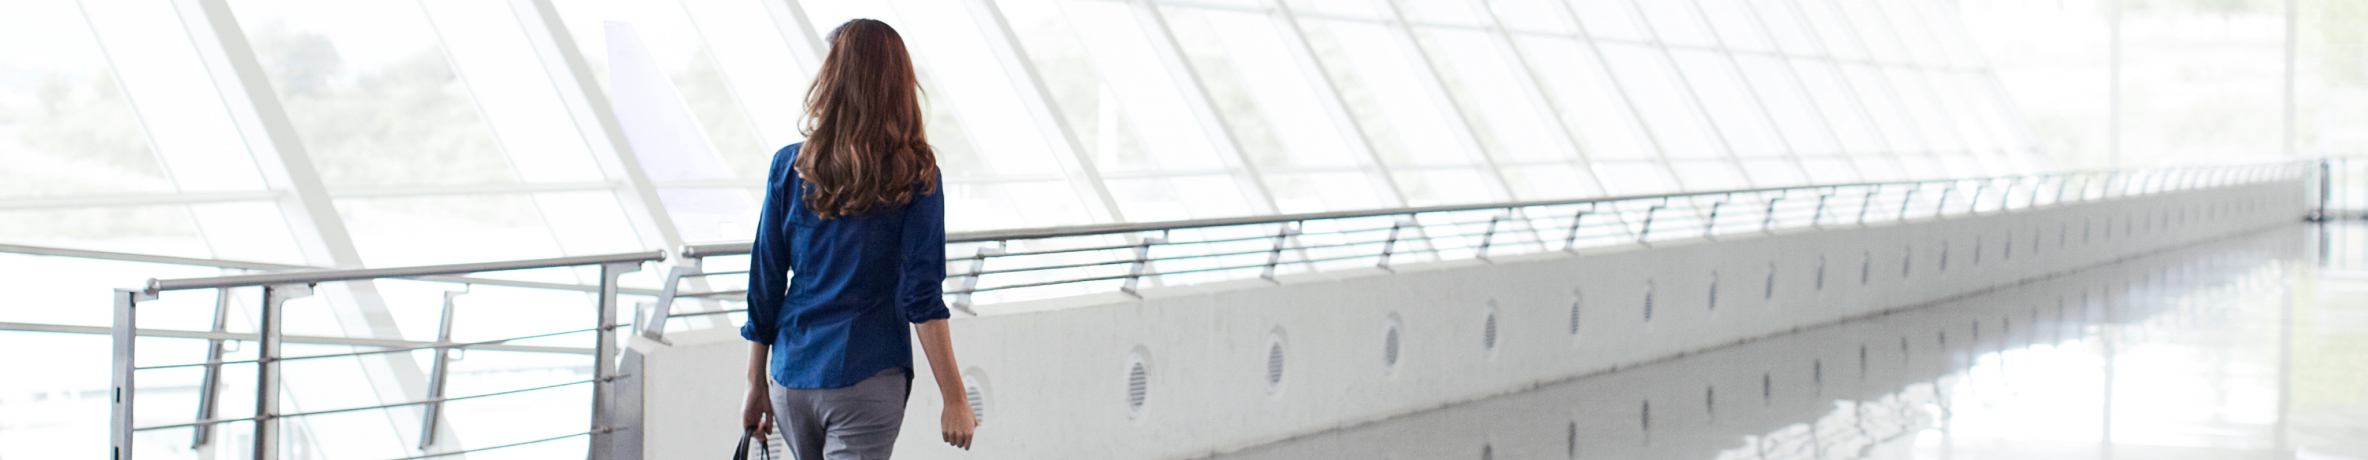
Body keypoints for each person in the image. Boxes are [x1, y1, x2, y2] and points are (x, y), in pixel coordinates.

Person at [739, 18, 977, 459]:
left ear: (831, 79)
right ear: (899, 85)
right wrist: (955, 398)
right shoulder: (916, 174)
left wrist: (755, 383)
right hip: (866, 375)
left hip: (791, 376)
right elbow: (921, 295)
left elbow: (765, 281)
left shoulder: (790, 167)